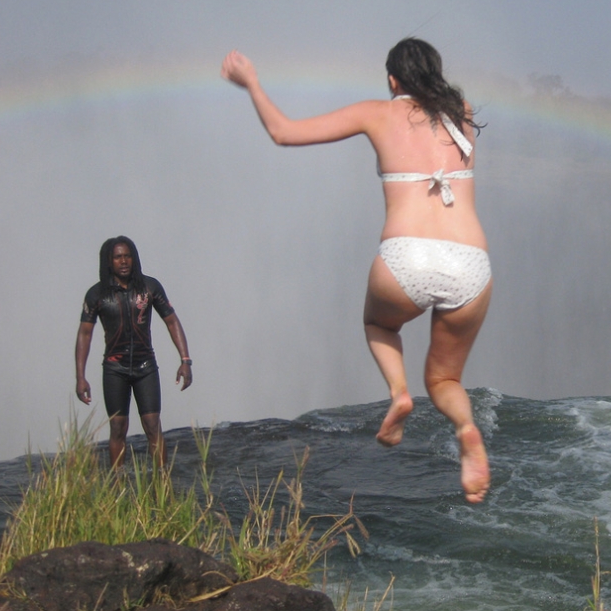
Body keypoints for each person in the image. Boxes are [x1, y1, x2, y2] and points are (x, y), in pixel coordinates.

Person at [221, 38, 492, 502]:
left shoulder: (377, 113)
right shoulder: (461, 112)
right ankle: (466, 429)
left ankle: (399, 392)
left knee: (378, 324)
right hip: (471, 264)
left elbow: (284, 133)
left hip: (407, 257)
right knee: (446, 379)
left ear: (393, 80)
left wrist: (252, 83)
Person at [75, 236, 193, 466]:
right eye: (118, 257)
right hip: (114, 368)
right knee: (118, 427)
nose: (124, 261)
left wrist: (185, 360)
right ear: (109, 261)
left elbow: (171, 321)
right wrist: (81, 377)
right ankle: (118, 482)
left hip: (145, 366)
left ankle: (161, 480)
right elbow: (85, 334)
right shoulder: (97, 294)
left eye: (127, 256)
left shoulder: (149, 287)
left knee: (152, 425)